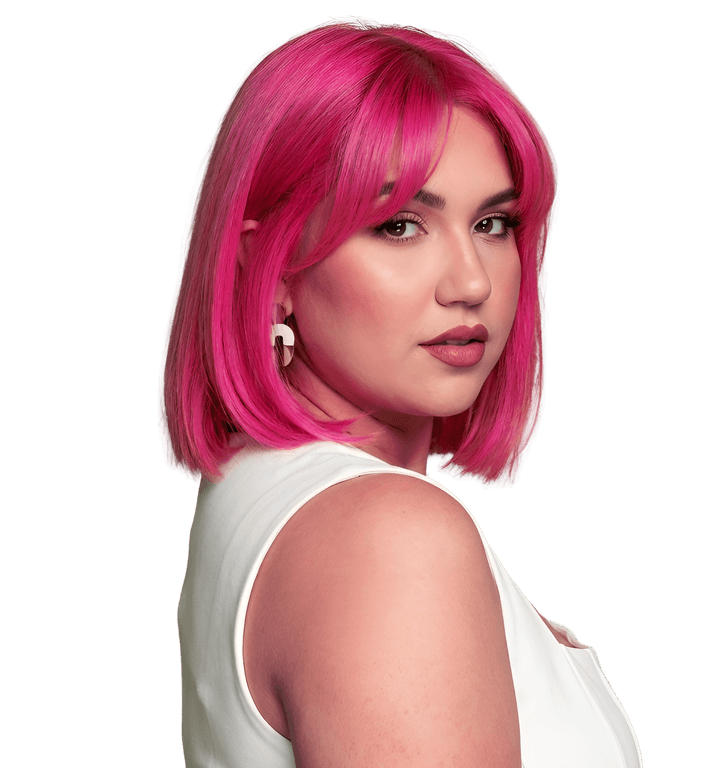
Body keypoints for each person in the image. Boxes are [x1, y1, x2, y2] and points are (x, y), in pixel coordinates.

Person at [158, 16, 643, 768]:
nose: (472, 282)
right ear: (272, 268)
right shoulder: (387, 537)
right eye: (400, 226)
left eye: (493, 223)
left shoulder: (259, 493)